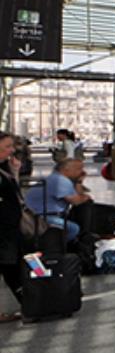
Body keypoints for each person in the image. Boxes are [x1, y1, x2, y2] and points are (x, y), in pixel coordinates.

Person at [24, 157, 92, 244]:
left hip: (37, 215)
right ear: (66, 169)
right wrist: (86, 197)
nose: (82, 172)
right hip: (42, 217)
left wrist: (79, 181)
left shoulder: (56, 178)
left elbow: (77, 196)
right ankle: (56, 247)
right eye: (79, 169)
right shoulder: (60, 180)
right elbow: (76, 201)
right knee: (74, 229)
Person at [0, 132, 26, 323]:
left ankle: (29, 303)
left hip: (9, 227)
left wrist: (15, 172)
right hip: (3, 229)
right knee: (10, 265)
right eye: (7, 146)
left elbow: (15, 196)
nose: (12, 150)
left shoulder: (4, 169)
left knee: (11, 265)